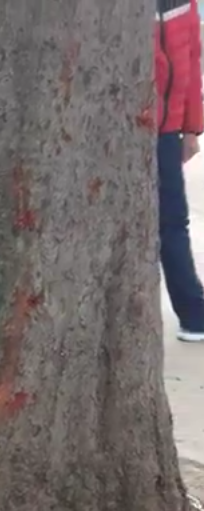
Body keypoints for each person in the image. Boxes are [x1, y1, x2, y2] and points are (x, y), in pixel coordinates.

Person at [156, 0, 204, 341]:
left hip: (167, 132)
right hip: (125, 128)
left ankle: (193, 314)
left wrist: (191, 129)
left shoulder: (184, 6)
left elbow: (191, 63)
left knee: (173, 221)